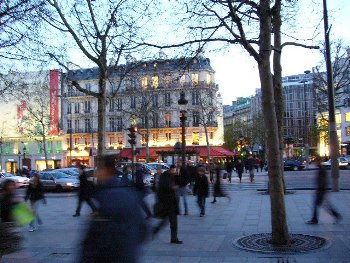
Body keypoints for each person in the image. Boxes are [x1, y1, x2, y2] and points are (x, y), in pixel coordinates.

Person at [79, 155, 148, 262]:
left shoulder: (107, 196)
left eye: (99, 169)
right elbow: (143, 230)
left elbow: (94, 242)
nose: (97, 173)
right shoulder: (128, 191)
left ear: (106, 170)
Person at [307, 157, 342, 225]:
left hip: (321, 190)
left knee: (318, 205)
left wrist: (318, 188)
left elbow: (322, 181)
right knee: (324, 205)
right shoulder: (321, 168)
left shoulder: (321, 169)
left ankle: (315, 219)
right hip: (322, 190)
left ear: (318, 162)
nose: (314, 163)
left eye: (315, 162)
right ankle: (336, 215)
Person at [153, 164, 182, 244]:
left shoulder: (173, 176)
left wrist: (177, 175)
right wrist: (172, 188)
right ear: (170, 169)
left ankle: (174, 238)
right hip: (166, 202)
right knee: (166, 220)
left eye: (175, 170)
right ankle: (156, 229)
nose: (174, 172)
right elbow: (163, 188)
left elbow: (180, 182)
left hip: (172, 203)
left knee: (173, 221)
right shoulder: (164, 177)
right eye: (173, 170)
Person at [0, 180, 21, 254]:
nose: (12, 187)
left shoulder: (13, 196)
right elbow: (4, 208)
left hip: (9, 224)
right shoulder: (3, 195)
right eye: (10, 185)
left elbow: (18, 210)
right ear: (6, 186)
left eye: (13, 185)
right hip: (3, 223)